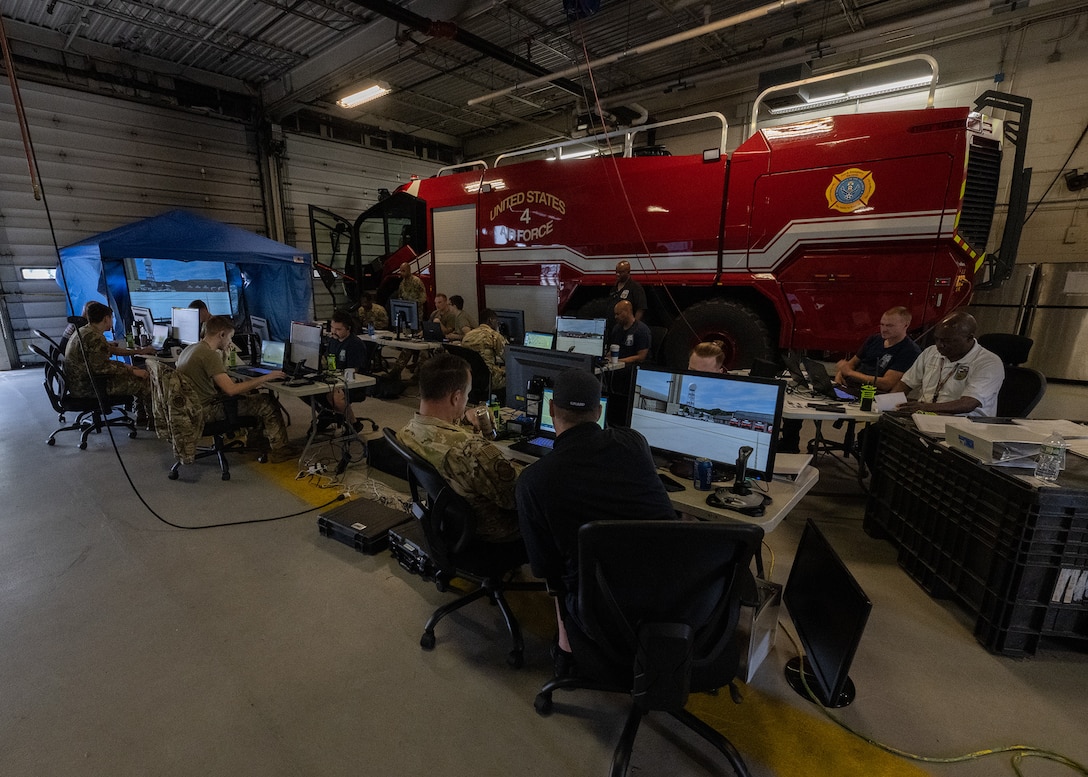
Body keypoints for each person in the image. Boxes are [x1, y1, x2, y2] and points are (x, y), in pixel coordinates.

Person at [516, 368, 676, 673]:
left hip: (598, 612)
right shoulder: (634, 443)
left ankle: (567, 653)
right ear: (599, 411)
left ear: (550, 410)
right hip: (671, 598)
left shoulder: (533, 482)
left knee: (560, 569)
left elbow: (546, 570)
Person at [398, 352, 522, 543]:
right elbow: (515, 497)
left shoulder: (407, 432)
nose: (466, 401)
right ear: (456, 398)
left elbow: (440, 436)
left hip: (451, 523)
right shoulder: (471, 449)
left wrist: (464, 419)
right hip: (492, 530)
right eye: (467, 394)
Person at [176, 315, 298, 462]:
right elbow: (231, 390)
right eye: (230, 337)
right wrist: (265, 378)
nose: (231, 342)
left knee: (252, 395)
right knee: (266, 402)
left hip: (192, 408)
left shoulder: (191, 348)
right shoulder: (209, 355)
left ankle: (256, 441)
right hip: (207, 411)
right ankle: (280, 450)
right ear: (221, 334)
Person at [890, 311, 1004, 417]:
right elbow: (905, 384)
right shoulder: (931, 352)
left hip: (965, 424)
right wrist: (889, 405)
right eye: (937, 339)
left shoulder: (988, 362)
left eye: (947, 341)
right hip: (926, 417)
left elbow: (968, 403)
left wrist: (926, 407)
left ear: (969, 338)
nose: (940, 345)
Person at [64, 301, 153, 422]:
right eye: (112, 318)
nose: (112, 321)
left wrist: (128, 367)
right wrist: (131, 371)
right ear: (106, 318)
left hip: (79, 383)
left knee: (136, 373)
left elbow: (99, 362)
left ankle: (142, 417)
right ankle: (151, 420)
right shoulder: (95, 338)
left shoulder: (84, 331)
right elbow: (100, 368)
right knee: (144, 380)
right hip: (90, 387)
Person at [309, 310, 372, 431]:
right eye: (332, 327)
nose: (333, 331)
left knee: (335, 397)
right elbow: (328, 360)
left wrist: (337, 382)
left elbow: (354, 371)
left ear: (348, 329)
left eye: (338, 329)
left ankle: (353, 424)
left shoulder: (355, 345)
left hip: (353, 382)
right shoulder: (333, 340)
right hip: (334, 377)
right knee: (309, 392)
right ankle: (329, 415)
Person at [834, 306, 921, 392]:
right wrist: (840, 374)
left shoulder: (909, 350)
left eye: (890, 326)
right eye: (882, 324)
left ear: (906, 325)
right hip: (851, 386)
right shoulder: (874, 339)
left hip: (872, 394)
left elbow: (886, 384)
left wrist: (850, 373)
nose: (884, 329)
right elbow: (851, 363)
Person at [61, 300, 156, 359]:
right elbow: (112, 351)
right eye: (112, 317)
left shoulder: (84, 328)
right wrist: (139, 352)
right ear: (106, 318)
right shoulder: (90, 333)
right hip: (87, 382)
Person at [461, 309, 508, 392]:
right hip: (490, 379)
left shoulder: (468, 335)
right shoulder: (494, 336)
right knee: (516, 377)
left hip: (470, 378)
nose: (497, 324)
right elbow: (510, 359)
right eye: (497, 322)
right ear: (491, 320)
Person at [609, 300, 651, 364]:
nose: (616, 317)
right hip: (616, 365)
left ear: (627, 312)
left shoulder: (641, 330)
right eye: (615, 314)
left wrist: (620, 361)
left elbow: (641, 357)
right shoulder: (617, 328)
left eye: (618, 314)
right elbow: (613, 348)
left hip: (631, 366)